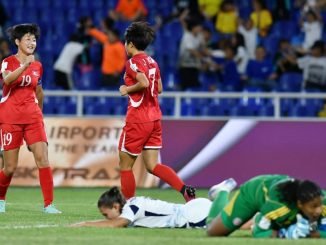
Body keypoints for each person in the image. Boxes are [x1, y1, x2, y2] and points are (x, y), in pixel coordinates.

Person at [118, 21, 196, 202]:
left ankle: (130, 205)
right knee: (153, 165)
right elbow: (159, 88)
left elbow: (144, 82)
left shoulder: (132, 63)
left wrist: (127, 89)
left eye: (125, 43)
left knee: (125, 165)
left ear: (130, 44)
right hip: (155, 118)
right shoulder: (153, 62)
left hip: (138, 118)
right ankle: (185, 190)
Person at [0, 23, 61, 214]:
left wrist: (39, 116)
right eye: (27, 39)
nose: (32, 42)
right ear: (17, 42)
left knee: (43, 160)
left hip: (33, 118)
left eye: (34, 39)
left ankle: (49, 205)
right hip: (10, 118)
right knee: (9, 167)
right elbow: (8, 80)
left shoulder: (38, 66)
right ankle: (1, 199)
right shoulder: (7, 62)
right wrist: (25, 65)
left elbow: (39, 92)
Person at [206, 174, 326, 238]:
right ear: (300, 204)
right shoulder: (278, 207)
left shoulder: (320, 200)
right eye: (314, 206)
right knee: (214, 231)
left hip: (277, 205)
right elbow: (257, 232)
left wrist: (317, 234)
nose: (319, 210)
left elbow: (315, 231)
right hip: (253, 193)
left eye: (319, 205)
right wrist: (279, 235)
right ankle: (223, 191)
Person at [71, 186, 211, 228]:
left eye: (105, 214)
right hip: (196, 207)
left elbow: (116, 223)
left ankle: (221, 191)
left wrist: (85, 224)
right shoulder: (132, 204)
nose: (106, 218)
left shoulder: (132, 207)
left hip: (194, 216)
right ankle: (220, 193)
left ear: (115, 206)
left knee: (226, 222)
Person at [87, 21, 126, 89]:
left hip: (114, 75)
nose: (109, 36)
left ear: (116, 36)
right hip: (104, 73)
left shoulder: (120, 46)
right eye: (109, 35)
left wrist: (118, 71)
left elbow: (122, 60)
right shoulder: (106, 41)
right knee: (104, 90)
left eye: (111, 35)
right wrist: (90, 30)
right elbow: (98, 35)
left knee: (112, 92)